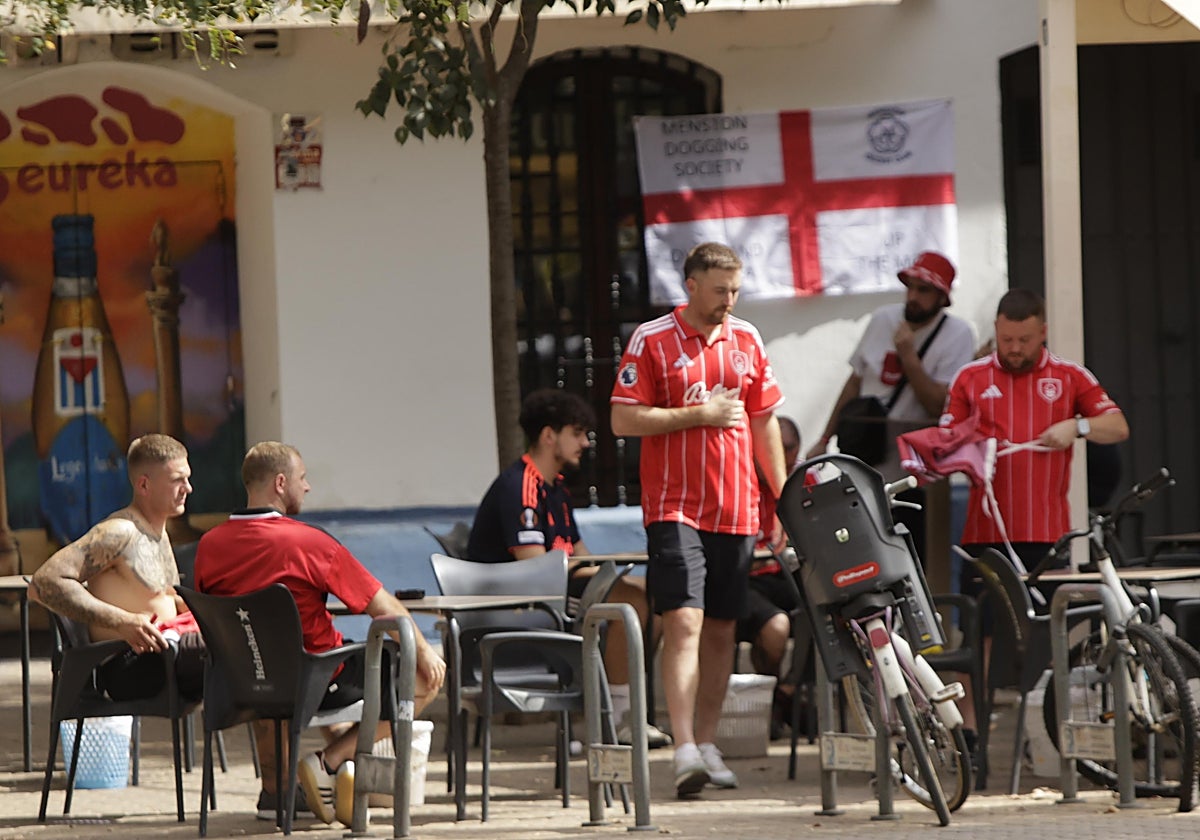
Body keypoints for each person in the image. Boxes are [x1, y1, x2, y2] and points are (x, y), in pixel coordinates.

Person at [610, 241, 788, 798]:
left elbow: (763, 422)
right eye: (718, 291)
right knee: (684, 620)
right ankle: (683, 746)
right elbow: (622, 420)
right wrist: (699, 414)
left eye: (735, 291)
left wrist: (782, 497)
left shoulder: (747, 339)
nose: (728, 302)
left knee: (722, 630)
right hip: (674, 507)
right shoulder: (652, 339)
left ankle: (708, 743)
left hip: (737, 508)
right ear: (690, 286)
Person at [194, 442, 446, 826]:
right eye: (303, 478)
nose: (308, 487)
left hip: (240, 682)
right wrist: (424, 650)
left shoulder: (209, 546)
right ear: (281, 483)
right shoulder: (310, 543)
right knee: (420, 675)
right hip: (313, 680)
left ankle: (277, 793)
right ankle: (326, 763)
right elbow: (384, 608)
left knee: (265, 658)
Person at [945, 287, 1129, 743]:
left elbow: (1118, 426)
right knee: (979, 634)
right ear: (996, 331)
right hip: (984, 535)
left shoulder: (1069, 376)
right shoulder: (969, 378)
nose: (1014, 349)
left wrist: (1077, 426)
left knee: (1051, 635)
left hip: (1048, 534)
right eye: (1007, 339)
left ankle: (1047, 732)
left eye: (1024, 340)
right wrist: (969, 450)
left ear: (1042, 332)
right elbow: (943, 446)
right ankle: (970, 734)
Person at [467, 388, 671, 748]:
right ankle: (616, 722)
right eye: (576, 433)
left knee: (654, 600)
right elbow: (535, 568)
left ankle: (618, 709)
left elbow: (580, 555)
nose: (585, 443)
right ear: (549, 436)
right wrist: (606, 575)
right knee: (630, 602)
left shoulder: (556, 489)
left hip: (553, 594)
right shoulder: (521, 485)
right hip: (519, 606)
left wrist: (614, 568)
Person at [808, 251, 975, 561]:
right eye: (910, 287)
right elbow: (855, 382)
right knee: (861, 553)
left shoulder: (958, 335)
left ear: (942, 297)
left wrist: (909, 357)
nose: (913, 297)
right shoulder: (883, 319)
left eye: (923, 290)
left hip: (913, 474)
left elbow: (938, 406)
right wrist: (824, 438)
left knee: (910, 557)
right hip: (865, 460)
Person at [29, 433, 204, 702]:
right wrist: (122, 621)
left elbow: (163, 598)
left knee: (240, 645)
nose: (188, 488)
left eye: (188, 478)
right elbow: (43, 582)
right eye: (177, 480)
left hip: (167, 650)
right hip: (130, 664)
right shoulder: (119, 531)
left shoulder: (159, 533)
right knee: (232, 650)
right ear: (144, 484)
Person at [737, 416, 805, 739]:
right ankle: (776, 701)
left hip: (793, 576)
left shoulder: (806, 482)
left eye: (788, 450)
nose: (781, 458)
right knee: (776, 629)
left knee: (834, 609)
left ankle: (787, 692)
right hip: (749, 579)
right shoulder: (740, 482)